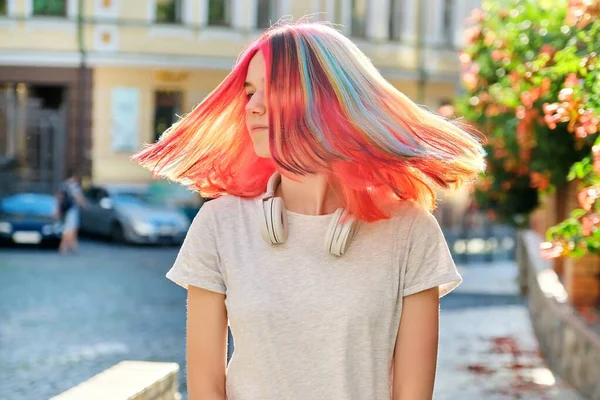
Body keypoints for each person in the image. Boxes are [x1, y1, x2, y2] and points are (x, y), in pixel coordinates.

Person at [133, 21, 486, 400]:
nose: (251, 106)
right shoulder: (219, 226)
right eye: (249, 92)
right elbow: (205, 389)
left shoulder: (411, 231)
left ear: (327, 101)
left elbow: (413, 394)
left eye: (272, 91)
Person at [55, 169, 87, 255]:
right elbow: (78, 197)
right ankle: (64, 248)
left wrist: (57, 210)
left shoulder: (64, 185)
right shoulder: (73, 185)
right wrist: (84, 205)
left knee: (69, 228)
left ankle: (71, 246)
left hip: (65, 209)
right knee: (70, 229)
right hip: (72, 210)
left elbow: (59, 197)